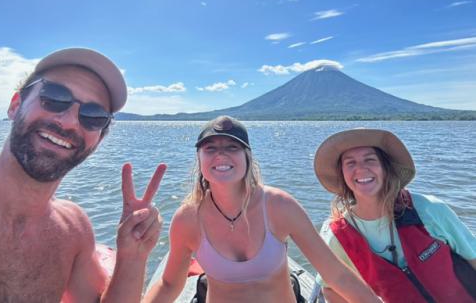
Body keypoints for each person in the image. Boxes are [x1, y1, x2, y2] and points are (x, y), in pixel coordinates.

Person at [0, 47, 166, 302]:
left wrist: (133, 256)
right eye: (54, 98)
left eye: (93, 116)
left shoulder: (72, 231)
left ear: (97, 141)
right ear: (15, 105)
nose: (68, 122)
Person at [144, 115, 381, 303]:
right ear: (199, 158)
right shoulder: (188, 219)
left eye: (232, 147)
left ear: (247, 157)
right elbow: (169, 285)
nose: (221, 155)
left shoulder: (279, 205)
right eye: (210, 149)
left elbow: (335, 274)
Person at [313, 128, 476, 303]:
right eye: (350, 163)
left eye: (370, 159)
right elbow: (331, 289)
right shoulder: (337, 237)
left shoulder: (429, 209)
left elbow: (472, 256)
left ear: (386, 168)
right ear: (342, 175)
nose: (361, 169)